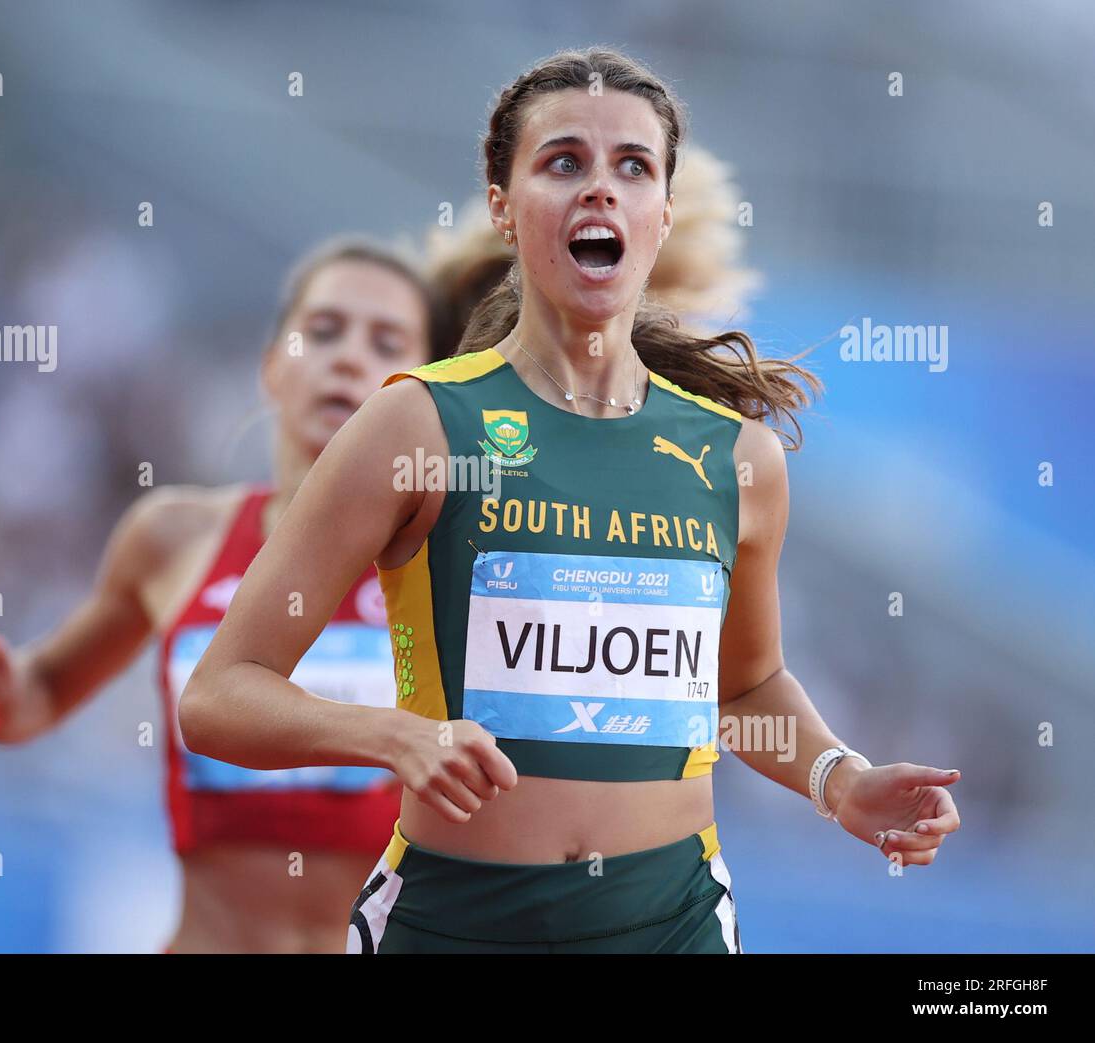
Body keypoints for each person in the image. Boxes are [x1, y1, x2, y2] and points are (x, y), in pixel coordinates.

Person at [178, 46, 963, 954]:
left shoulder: (735, 457)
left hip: (672, 924)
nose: (601, 189)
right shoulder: (418, 427)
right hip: (454, 926)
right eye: (564, 163)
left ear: (662, 215)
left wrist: (839, 778)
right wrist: (392, 735)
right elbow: (219, 696)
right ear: (503, 209)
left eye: (633, 167)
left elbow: (744, 687)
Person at [0, 238, 448, 953]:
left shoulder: (448, 562)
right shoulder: (173, 538)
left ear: (425, 394)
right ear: (271, 367)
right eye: (323, 331)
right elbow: (44, 690)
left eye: (386, 341)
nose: (349, 356)